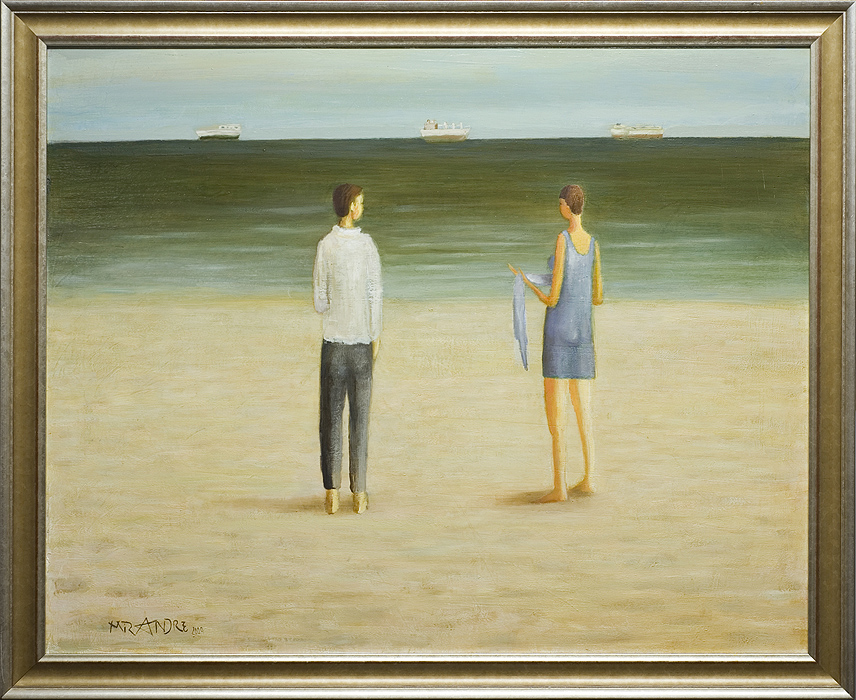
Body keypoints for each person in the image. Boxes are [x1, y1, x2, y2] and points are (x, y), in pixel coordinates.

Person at [509, 184, 603, 502]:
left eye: (560, 203)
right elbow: (598, 297)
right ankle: (589, 479)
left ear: (565, 205)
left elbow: (552, 297)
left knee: (557, 417)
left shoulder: (563, 239)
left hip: (559, 335)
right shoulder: (593, 244)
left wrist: (527, 282)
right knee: (584, 412)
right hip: (583, 336)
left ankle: (560, 488)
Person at [312, 184, 382, 514]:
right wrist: (375, 333)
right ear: (352, 206)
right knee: (360, 422)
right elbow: (375, 294)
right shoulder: (367, 246)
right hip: (361, 342)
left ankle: (332, 493)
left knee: (330, 420)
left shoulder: (325, 245)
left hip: (333, 342)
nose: (362, 207)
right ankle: (360, 493)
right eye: (361, 203)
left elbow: (319, 301)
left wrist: (335, 303)